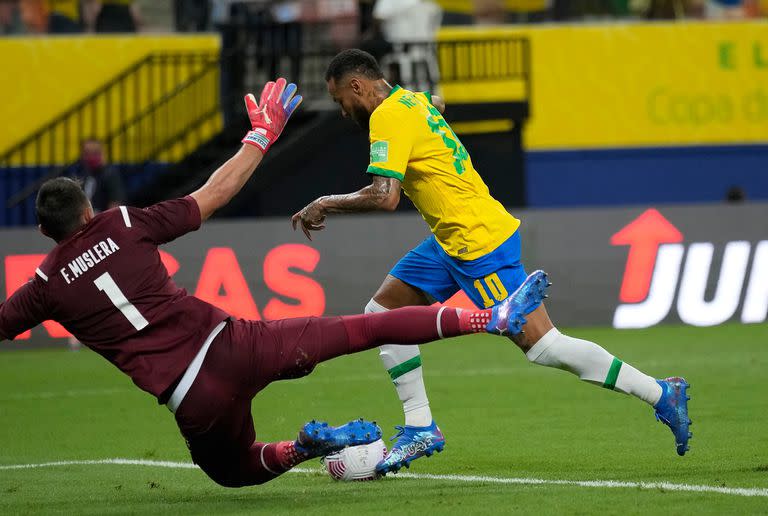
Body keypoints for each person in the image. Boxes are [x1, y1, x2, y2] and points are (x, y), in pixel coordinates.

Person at [0, 78, 549, 488]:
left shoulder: (44, 284)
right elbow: (211, 196)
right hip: (238, 345)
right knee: (364, 327)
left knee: (234, 473)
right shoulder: (121, 223)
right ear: (89, 207)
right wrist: (261, 136)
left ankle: (303, 447)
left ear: (44, 230)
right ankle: (492, 317)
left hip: (193, 399)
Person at [292, 50, 692, 475]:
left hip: (477, 241)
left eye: (340, 100)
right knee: (382, 313)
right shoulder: (410, 100)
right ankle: (420, 425)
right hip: (449, 239)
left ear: (357, 86)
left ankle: (659, 393)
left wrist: (324, 203)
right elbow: (435, 104)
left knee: (544, 346)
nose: (341, 111)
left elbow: (384, 195)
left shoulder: (388, 116)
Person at [69, 138, 125, 213]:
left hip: (102, 219)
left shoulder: (110, 174)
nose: (91, 157)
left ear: (102, 154)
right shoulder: (78, 173)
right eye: (87, 153)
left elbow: (115, 204)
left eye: (95, 153)